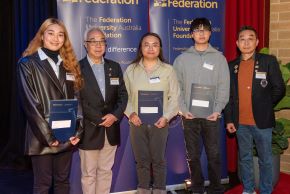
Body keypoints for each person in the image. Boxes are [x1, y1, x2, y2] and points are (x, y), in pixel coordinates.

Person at [17, 18, 83, 194]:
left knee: (63, 182)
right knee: (43, 185)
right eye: (51, 33)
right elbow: (30, 104)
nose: (56, 38)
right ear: (42, 36)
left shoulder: (69, 65)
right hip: (41, 136)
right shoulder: (27, 63)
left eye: (60, 34)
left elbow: (77, 101)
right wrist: (48, 135)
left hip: (67, 134)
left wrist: (77, 130)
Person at [224, 26, 285, 194]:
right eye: (242, 39)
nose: (246, 42)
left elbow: (279, 88)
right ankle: (248, 189)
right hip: (240, 123)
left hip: (262, 122)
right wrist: (229, 119)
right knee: (245, 159)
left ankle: (266, 191)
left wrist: (264, 105)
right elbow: (227, 95)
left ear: (257, 42)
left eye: (250, 38)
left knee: (265, 160)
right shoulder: (231, 66)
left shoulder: (268, 61)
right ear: (237, 43)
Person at [173, 17, 229, 194]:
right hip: (189, 116)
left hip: (211, 116)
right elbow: (176, 88)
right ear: (191, 34)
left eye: (205, 30)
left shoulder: (219, 59)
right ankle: (197, 187)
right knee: (193, 156)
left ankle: (215, 188)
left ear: (210, 33)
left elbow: (224, 86)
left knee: (214, 155)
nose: (201, 33)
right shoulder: (182, 59)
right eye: (197, 30)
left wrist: (217, 109)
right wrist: (183, 109)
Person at [124, 32, 180, 194]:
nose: (151, 48)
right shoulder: (131, 70)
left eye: (155, 44)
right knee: (141, 161)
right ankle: (143, 190)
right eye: (146, 44)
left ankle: (159, 190)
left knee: (158, 161)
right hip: (137, 123)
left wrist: (166, 117)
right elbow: (124, 97)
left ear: (160, 48)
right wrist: (131, 114)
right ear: (140, 48)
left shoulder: (168, 70)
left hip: (160, 123)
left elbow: (175, 97)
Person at [78, 27, 128, 194]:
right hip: (89, 130)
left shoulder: (114, 67)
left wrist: (114, 115)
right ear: (86, 45)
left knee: (106, 172)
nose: (98, 45)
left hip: (111, 129)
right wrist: (100, 119)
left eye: (102, 42)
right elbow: (78, 100)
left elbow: (123, 95)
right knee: (89, 175)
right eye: (94, 41)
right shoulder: (77, 68)